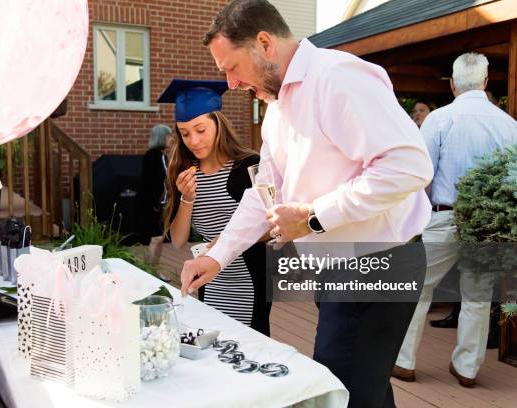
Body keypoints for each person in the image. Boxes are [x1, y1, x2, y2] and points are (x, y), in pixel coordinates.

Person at [179, 1, 433, 406]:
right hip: (338, 269)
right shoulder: (278, 110)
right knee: (365, 388)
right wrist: (217, 256)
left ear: (264, 43)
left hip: (376, 264)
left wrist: (315, 218)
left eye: (232, 67)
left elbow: (409, 166)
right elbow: (261, 192)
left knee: (340, 393)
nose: (229, 83)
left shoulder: (338, 77)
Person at [393, 52, 517, 387]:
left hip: (443, 216)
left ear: (452, 83)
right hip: (488, 223)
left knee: (417, 290)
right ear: (487, 82)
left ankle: (403, 360)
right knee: (477, 297)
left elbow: (421, 174)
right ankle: (466, 368)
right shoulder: (509, 125)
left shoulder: (440, 119)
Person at [159, 78, 272, 335]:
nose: (193, 141)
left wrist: (225, 241)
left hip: (249, 278)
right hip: (209, 278)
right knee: (214, 343)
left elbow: (272, 226)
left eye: (200, 130)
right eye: (185, 133)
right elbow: (177, 241)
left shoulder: (250, 165)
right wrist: (187, 197)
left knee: (250, 346)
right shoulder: (184, 171)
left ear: (218, 124)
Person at [137, 124, 172, 265]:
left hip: (152, 203)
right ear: (162, 137)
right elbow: (164, 180)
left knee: (158, 238)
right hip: (154, 205)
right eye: (169, 135)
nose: (171, 138)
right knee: (156, 238)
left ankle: (153, 272)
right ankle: (150, 272)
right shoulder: (158, 156)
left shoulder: (150, 155)